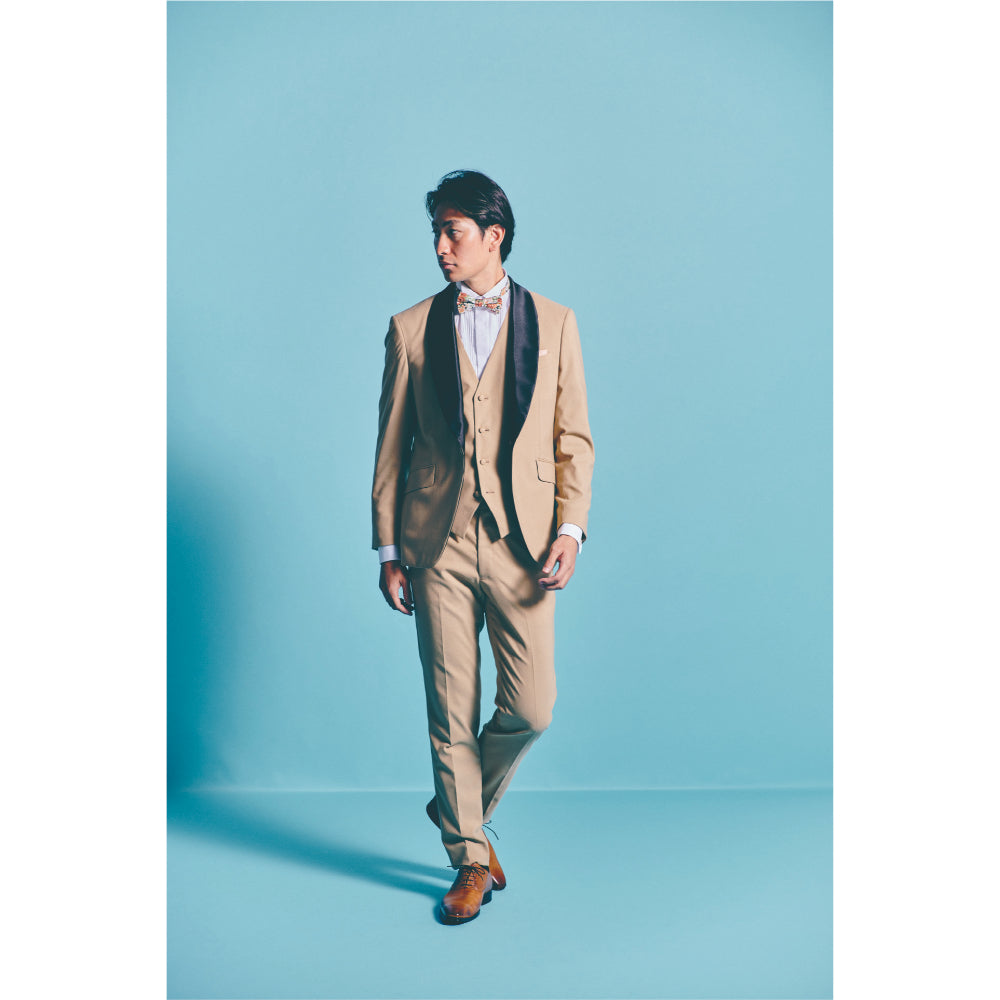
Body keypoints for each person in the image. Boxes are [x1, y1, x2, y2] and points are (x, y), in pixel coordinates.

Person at [371, 169, 594, 924]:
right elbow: (391, 446)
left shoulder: (555, 323)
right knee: (449, 707)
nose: (440, 247)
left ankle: (455, 805)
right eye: (436, 233)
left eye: (453, 232)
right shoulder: (410, 328)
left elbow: (573, 439)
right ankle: (469, 856)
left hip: (523, 545)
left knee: (532, 707)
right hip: (434, 543)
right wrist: (389, 551)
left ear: (493, 235)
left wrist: (570, 529)